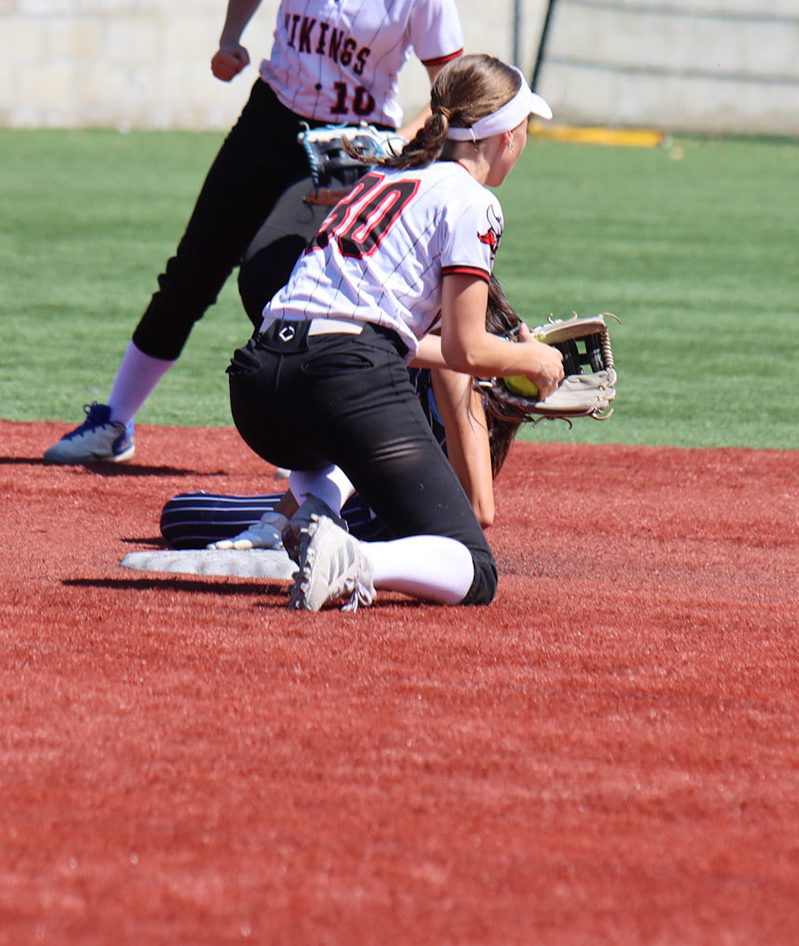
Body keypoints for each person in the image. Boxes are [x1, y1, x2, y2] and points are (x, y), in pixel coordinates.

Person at [44, 0, 464, 466]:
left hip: (350, 151)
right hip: (270, 119)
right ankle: (115, 422)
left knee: (283, 283)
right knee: (192, 270)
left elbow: (450, 90)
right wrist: (229, 38)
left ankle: (353, 444)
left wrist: (396, 147)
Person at [227, 54, 564, 611]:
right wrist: (535, 361)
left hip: (258, 386)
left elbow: (399, 338)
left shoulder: (382, 177)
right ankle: (355, 559)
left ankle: (309, 513)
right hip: (338, 379)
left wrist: (504, 354)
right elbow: (464, 347)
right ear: (506, 135)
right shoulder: (474, 200)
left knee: (336, 422)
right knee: (475, 569)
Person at [159, 278, 527, 550]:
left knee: (184, 515)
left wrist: (278, 522)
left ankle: (310, 536)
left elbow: (479, 511)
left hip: (372, 520)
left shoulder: (452, 367)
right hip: (386, 506)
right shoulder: (462, 353)